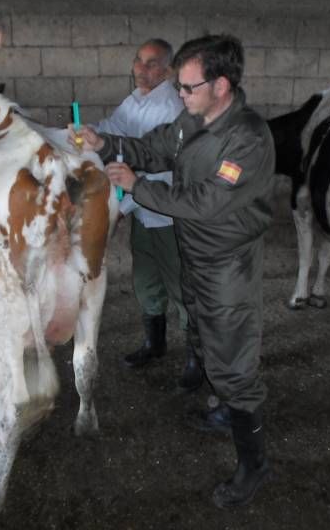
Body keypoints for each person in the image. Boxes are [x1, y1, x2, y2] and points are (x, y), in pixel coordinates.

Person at [77, 34, 276, 509]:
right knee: (206, 337)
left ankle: (254, 463)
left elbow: (206, 202)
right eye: (181, 87)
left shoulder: (246, 138)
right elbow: (152, 147)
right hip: (196, 254)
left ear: (221, 85)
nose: (179, 95)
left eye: (188, 87)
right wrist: (107, 144)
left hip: (228, 262)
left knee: (234, 359)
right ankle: (225, 406)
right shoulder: (192, 119)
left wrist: (140, 188)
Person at [82, 38, 202, 390]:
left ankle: (196, 359)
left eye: (150, 64)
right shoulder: (135, 100)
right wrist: (86, 133)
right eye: (138, 60)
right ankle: (155, 343)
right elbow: (113, 127)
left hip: (167, 215)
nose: (140, 68)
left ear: (166, 70)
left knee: (180, 284)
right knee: (146, 278)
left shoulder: (169, 107)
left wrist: (119, 207)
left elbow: (154, 170)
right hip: (143, 213)